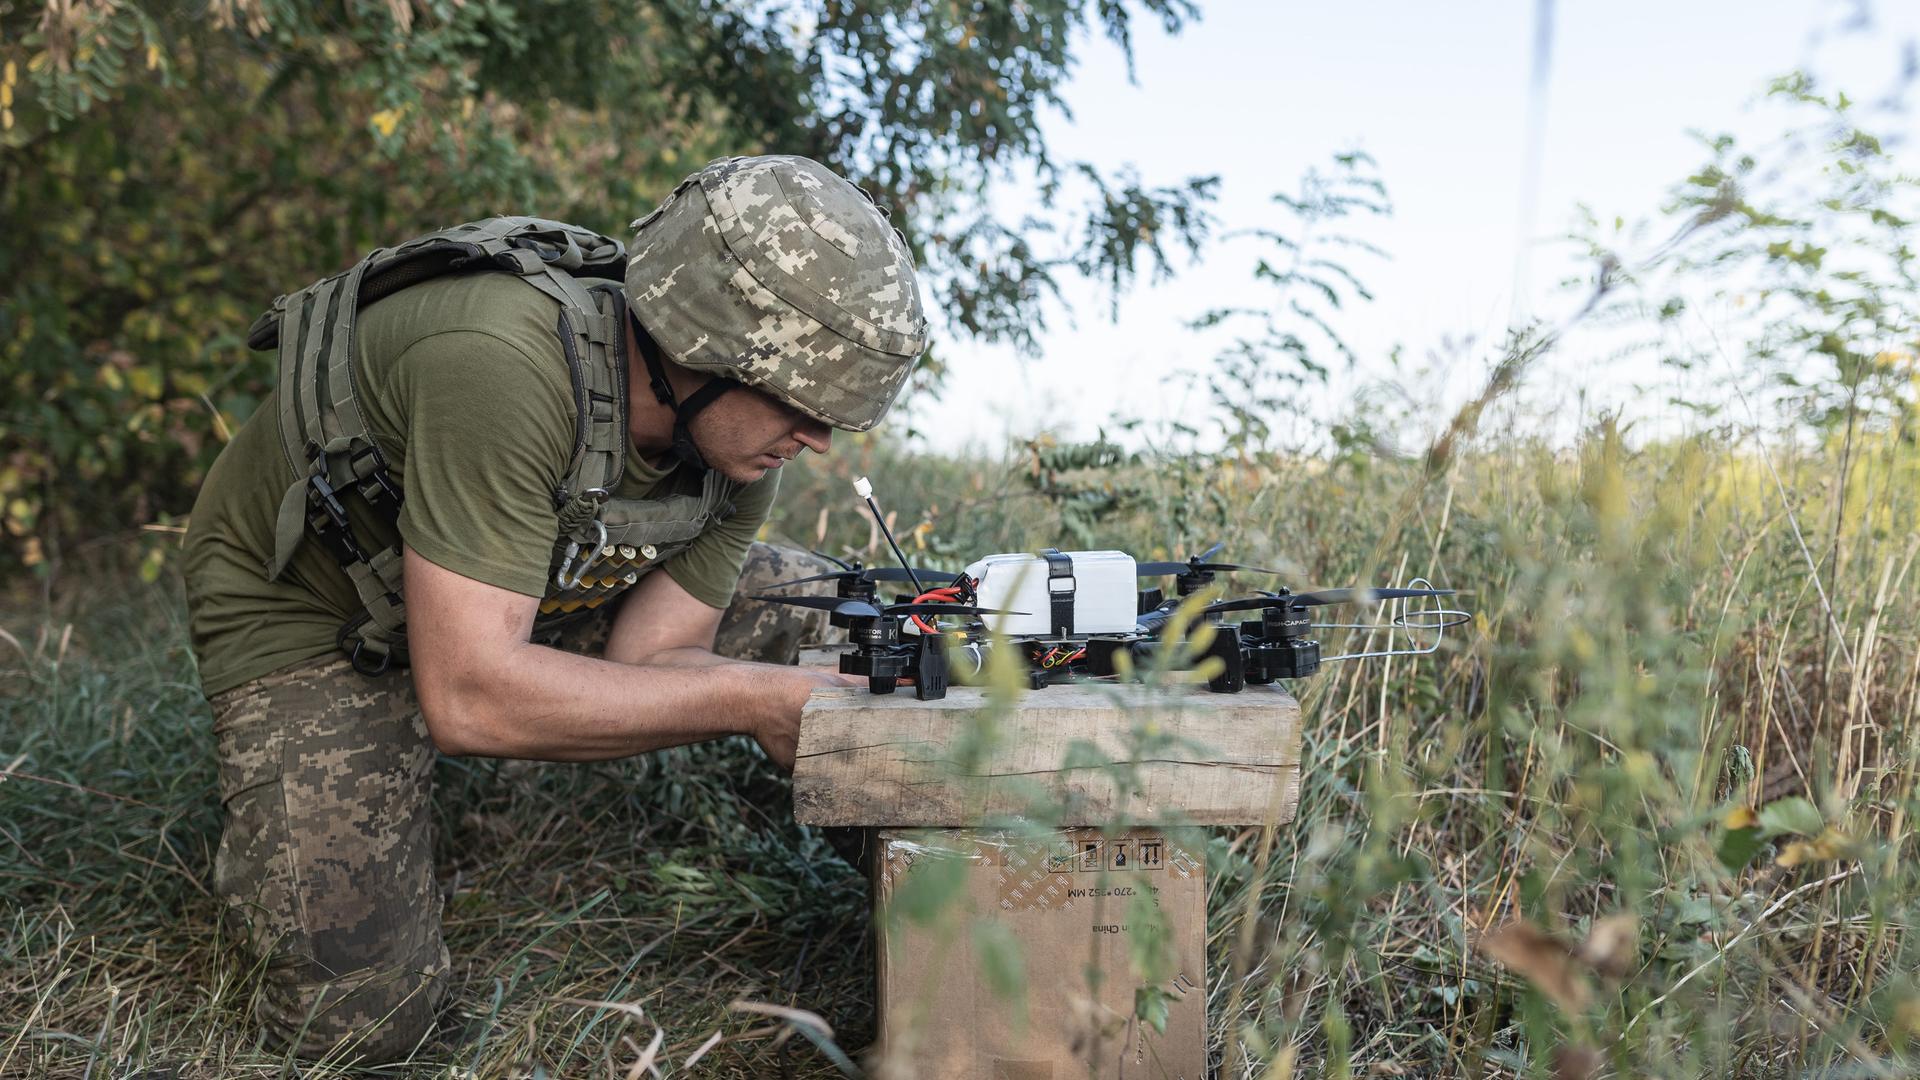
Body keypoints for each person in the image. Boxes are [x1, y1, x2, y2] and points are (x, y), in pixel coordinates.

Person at [180, 154, 928, 1061]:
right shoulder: (500, 361)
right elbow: (471, 699)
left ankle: (943, 920)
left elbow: (656, 660)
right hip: (318, 605)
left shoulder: (733, 442)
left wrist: (782, 690)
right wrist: (760, 701)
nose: (817, 436)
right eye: (803, 403)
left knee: (854, 632)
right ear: (702, 346)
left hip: (536, 572)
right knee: (364, 1031)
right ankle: (280, 825)